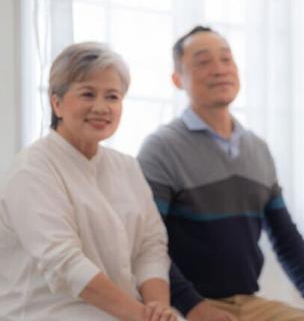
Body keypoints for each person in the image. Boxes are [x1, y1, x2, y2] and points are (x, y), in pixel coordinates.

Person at [137, 26, 304, 321]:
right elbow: (146, 243)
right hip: (183, 305)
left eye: (226, 59)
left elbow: (286, 238)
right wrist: (194, 307)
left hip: (247, 302)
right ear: (177, 79)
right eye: (203, 61)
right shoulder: (161, 148)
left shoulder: (257, 149)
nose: (219, 69)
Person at [0, 42, 174, 320]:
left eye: (113, 96)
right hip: (49, 312)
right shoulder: (32, 169)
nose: (102, 107)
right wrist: (142, 316)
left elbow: (150, 246)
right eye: (88, 94)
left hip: (125, 311)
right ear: (56, 102)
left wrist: (159, 310)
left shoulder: (126, 167)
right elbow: (65, 263)